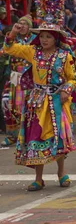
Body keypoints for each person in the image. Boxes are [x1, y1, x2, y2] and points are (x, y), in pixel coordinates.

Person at [3, 0, 76, 191]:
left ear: (56, 38)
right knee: (35, 137)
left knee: (58, 138)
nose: (44, 40)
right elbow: (9, 49)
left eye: (49, 36)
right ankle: (38, 178)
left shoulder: (64, 56)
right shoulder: (32, 52)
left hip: (55, 101)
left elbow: (73, 79)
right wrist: (13, 34)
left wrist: (66, 90)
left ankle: (61, 172)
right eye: (42, 36)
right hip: (36, 101)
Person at [2, 16, 35, 147]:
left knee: (26, 105)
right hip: (14, 76)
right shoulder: (13, 38)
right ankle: (12, 135)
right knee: (8, 104)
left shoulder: (34, 40)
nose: (22, 26)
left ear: (29, 27)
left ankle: (26, 134)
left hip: (29, 76)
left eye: (25, 24)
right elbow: (6, 48)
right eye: (20, 23)